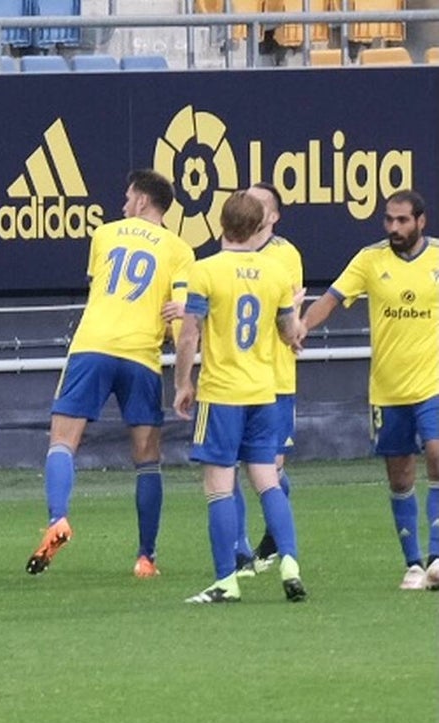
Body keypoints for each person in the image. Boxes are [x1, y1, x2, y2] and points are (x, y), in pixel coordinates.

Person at [25, 169, 195, 578]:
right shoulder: (180, 250)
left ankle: (58, 519)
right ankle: (145, 558)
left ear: (140, 201)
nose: (122, 204)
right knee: (147, 457)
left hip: (92, 347)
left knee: (63, 442)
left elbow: (102, 286)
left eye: (126, 197)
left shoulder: (105, 235)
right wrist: (183, 377)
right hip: (141, 355)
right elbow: (182, 321)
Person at [298, 189, 439, 591]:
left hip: (433, 382)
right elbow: (330, 299)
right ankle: (413, 564)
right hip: (388, 389)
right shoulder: (369, 259)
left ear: (420, 221)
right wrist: (302, 328)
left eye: (402, 221)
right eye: (389, 220)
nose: (394, 227)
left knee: (436, 453)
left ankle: (437, 556)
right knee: (399, 475)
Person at [174, 190, 307, 604]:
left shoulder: (206, 270)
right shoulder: (275, 274)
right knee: (267, 478)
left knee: (218, 485)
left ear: (221, 224)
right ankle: (289, 562)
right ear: (259, 226)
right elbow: (290, 335)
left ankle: (225, 581)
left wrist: (182, 383)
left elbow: (190, 333)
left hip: (222, 392)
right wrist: (296, 320)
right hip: (264, 391)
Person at [233, 182, 305, 576]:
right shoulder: (229, 254)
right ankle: (242, 551)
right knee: (236, 466)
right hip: (237, 376)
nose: (250, 207)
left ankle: (276, 541)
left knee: (268, 468)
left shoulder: (284, 254)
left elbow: (283, 311)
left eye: (259, 203)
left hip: (275, 377)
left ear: (273, 216)